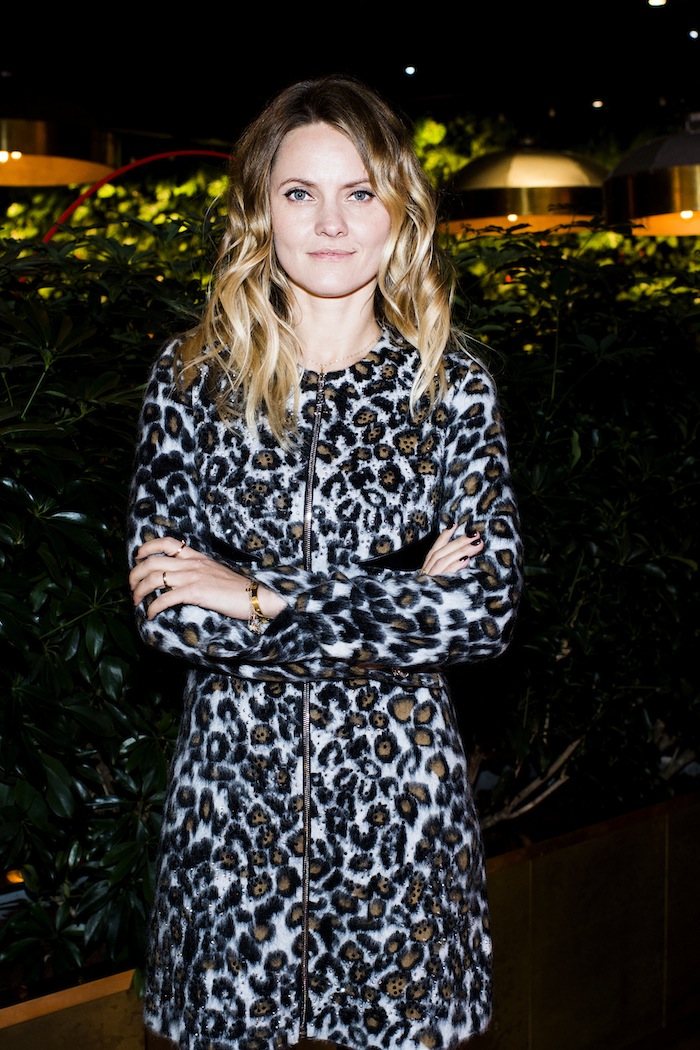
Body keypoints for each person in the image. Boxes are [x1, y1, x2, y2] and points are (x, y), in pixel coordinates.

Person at [127, 73, 523, 1050]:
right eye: (300, 192)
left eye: (360, 192)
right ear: (262, 212)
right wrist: (399, 595)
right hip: (233, 821)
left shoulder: (451, 389)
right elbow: (169, 611)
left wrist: (257, 596)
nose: (331, 222)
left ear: (400, 214)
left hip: (401, 823)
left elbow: (482, 612)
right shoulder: (193, 380)